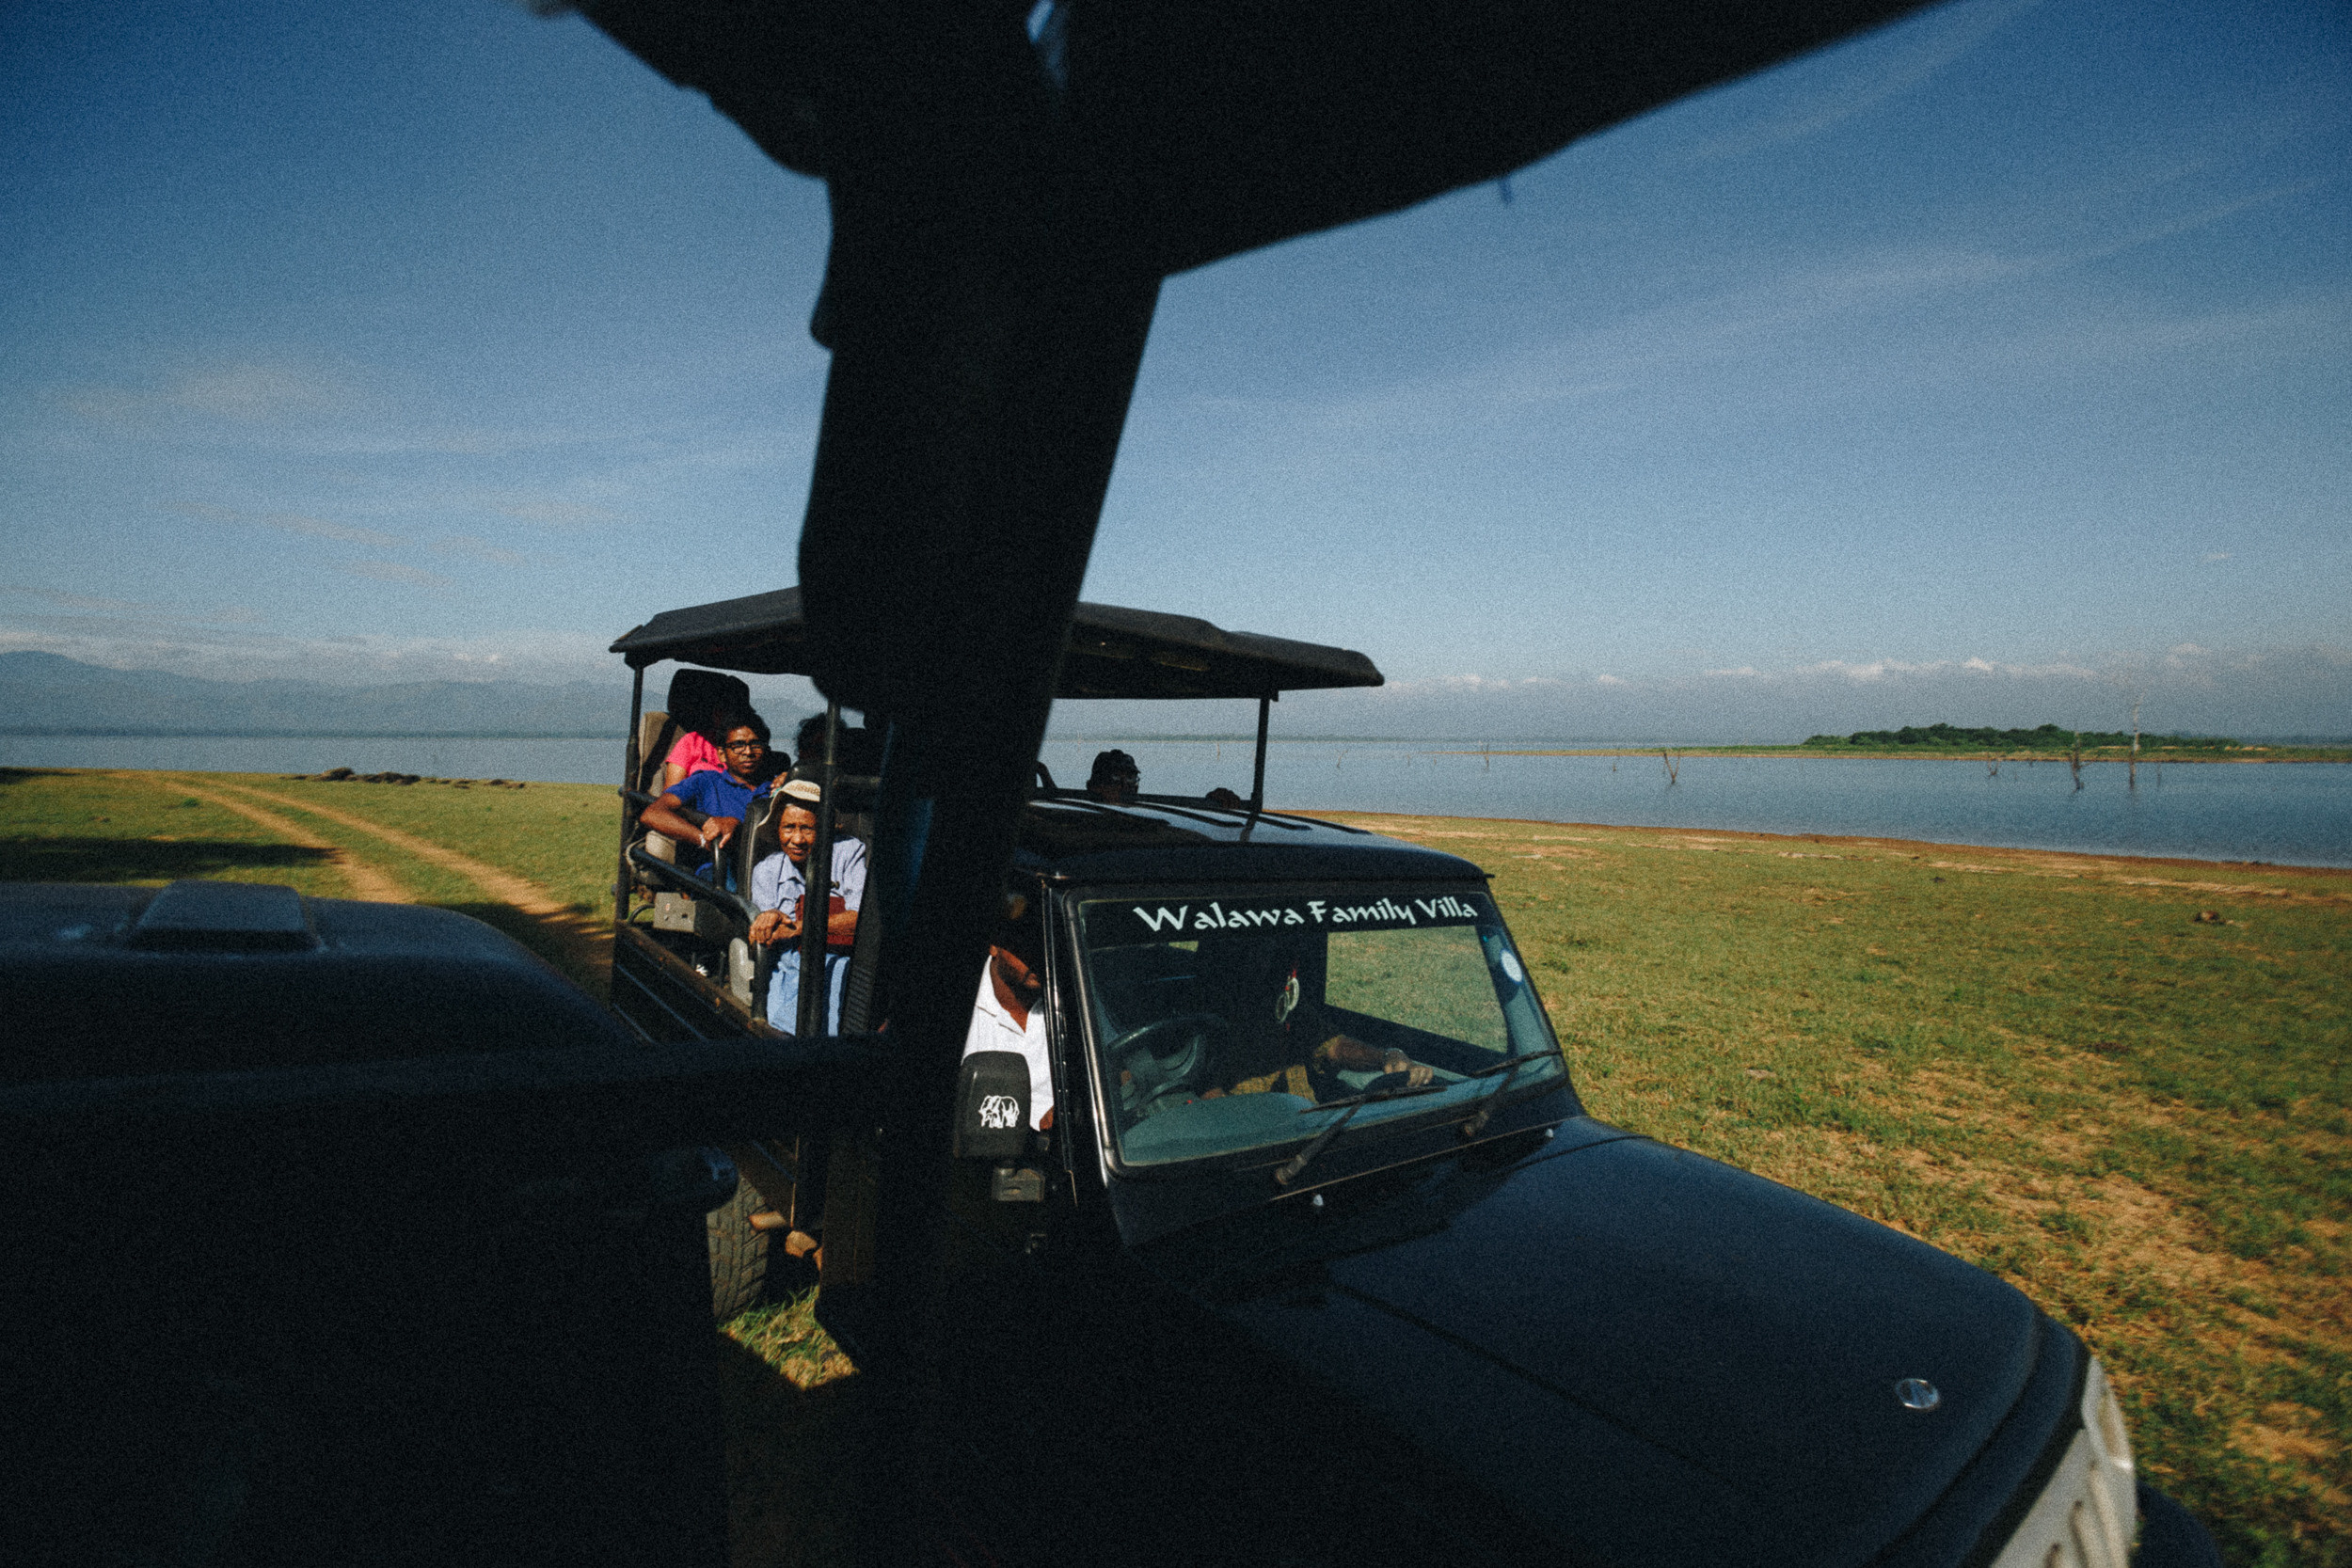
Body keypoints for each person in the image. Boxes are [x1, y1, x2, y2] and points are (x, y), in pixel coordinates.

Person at [747, 796, 867, 1035]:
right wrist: (768, 919)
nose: (798, 839)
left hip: (839, 958)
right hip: (789, 962)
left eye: (807, 829)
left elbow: (861, 920)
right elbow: (763, 938)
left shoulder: (848, 852)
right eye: (788, 828)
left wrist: (799, 926)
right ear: (777, 829)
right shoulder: (767, 870)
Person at [636, 712, 773, 882]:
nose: (748, 752)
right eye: (738, 745)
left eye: (756, 744)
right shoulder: (705, 781)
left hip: (768, 870)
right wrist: (704, 839)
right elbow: (653, 814)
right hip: (721, 872)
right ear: (722, 754)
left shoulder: (774, 788)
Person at [962, 892, 1054, 1131]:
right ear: (994, 945)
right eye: (1023, 945)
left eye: (1044, 944)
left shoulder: (1067, 995)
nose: (1036, 956)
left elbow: (1119, 1072)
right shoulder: (956, 1005)